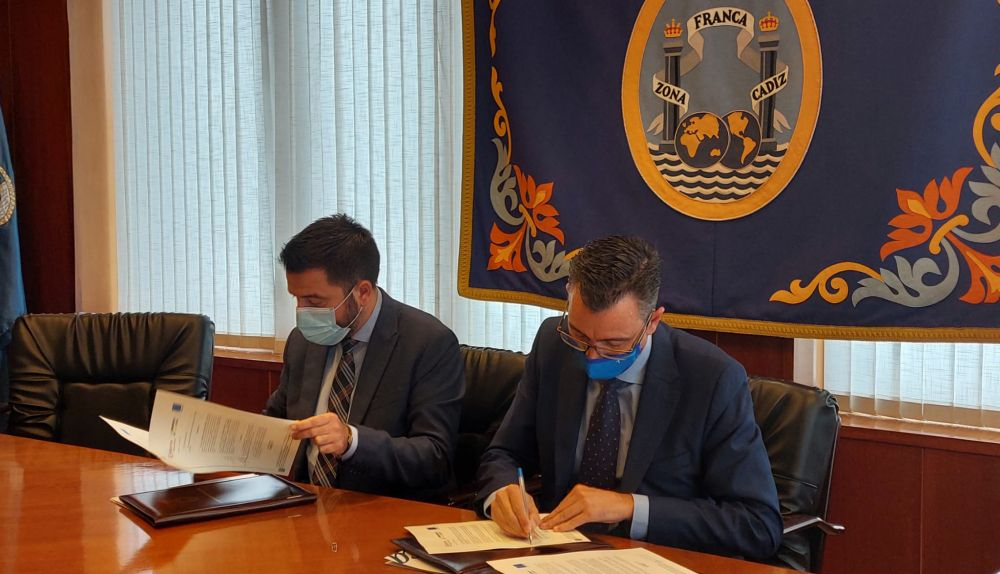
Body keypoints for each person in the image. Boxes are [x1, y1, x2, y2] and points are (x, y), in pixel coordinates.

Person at [475, 235, 781, 559]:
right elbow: (504, 454)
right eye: (580, 335)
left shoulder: (712, 379)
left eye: (614, 343)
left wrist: (630, 507)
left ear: (653, 321)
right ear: (569, 297)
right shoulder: (554, 346)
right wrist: (503, 491)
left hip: (659, 558)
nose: (592, 356)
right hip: (556, 553)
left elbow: (757, 524)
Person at [265, 214, 464, 500]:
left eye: (314, 301)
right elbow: (277, 418)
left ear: (362, 292)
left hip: (382, 508)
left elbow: (435, 456)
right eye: (296, 297)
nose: (302, 311)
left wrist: (352, 441)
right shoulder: (303, 340)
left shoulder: (428, 343)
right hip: (305, 502)